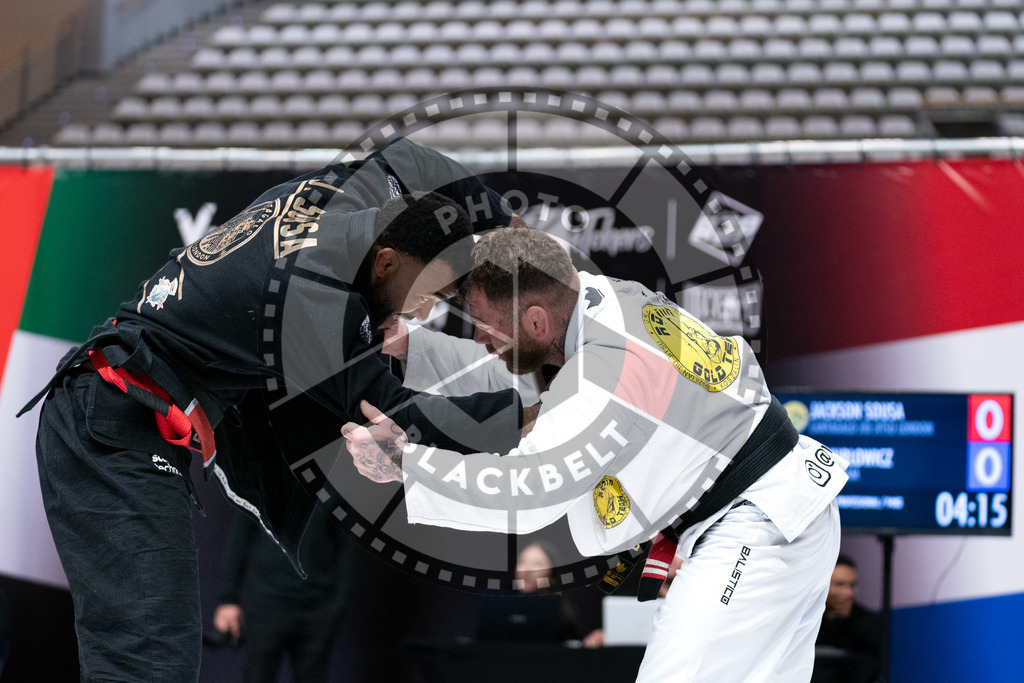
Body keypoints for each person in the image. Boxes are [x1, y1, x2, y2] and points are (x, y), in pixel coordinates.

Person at [21, 138, 533, 681]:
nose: (424, 312)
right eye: (424, 295)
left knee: (152, 656)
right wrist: (525, 417)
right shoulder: (307, 298)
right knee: (151, 659)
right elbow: (392, 412)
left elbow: (410, 158)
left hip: (119, 411)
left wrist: (507, 226)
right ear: (386, 262)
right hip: (111, 417)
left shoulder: (353, 194)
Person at [344, 225, 849, 682]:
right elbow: (517, 367)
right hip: (779, 507)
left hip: (757, 523)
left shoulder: (608, 374)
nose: (479, 338)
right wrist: (414, 346)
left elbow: (527, 489)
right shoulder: (597, 299)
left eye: (485, 327)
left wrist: (408, 464)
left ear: (536, 320)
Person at [211, 506, 353, 683]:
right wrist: (228, 598)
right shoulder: (258, 488)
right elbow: (239, 538)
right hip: (268, 606)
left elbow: (347, 549)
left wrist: (337, 605)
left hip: (317, 610)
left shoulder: (336, 490)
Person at [816, 554, 882, 667]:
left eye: (852, 585)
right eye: (839, 585)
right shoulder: (804, 621)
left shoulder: (869, 625)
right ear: (822, 585)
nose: (848, 593)